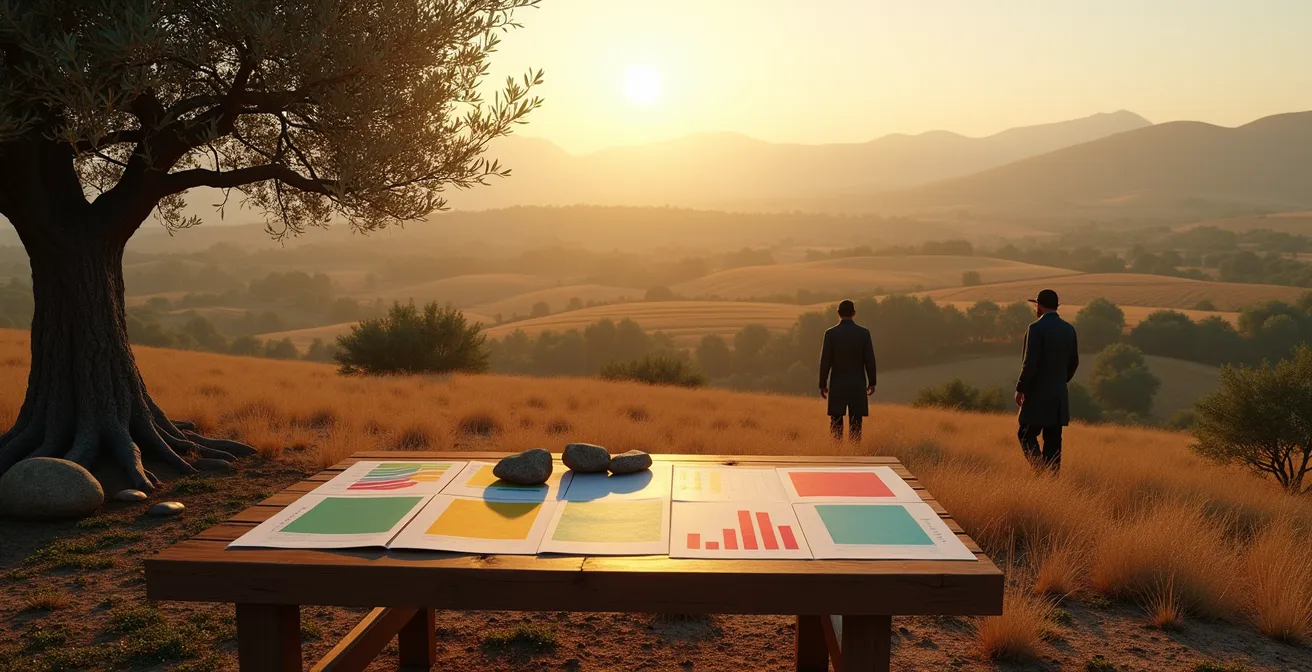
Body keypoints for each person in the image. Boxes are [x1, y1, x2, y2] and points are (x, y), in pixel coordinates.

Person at [1014, 289, 1079, 474]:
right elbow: (1074, 363)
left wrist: (1021, 388)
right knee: (1053, 441)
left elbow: (1030, 363)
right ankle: (1052, 480)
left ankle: (1040, 471)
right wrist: (1059, 381)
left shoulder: (1036, 328)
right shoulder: (1069, 329)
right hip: (1058, 395)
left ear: (1039, 306)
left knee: (1025, 434)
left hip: (1037, 394)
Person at [818, 299, 877, 442]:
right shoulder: (864, 334)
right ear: (854, 313)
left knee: (836, 420)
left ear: (838, 313)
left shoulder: (830, 334)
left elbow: (825, 361)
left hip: (837, 383)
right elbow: (870, 360)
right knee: (856, 422)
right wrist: (872, 382)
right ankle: (854, 451)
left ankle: (836, 451)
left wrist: (822, 384)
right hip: (857, 383)